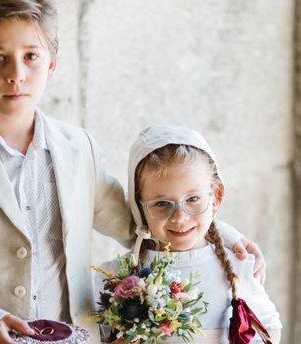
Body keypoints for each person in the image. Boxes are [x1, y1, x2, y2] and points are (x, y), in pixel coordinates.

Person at [0, 0, 266, 344]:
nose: (16, 74)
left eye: (31, 57)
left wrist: (226, 238)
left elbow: (141, 219)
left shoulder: (77, 148)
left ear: (50, 66)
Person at [96, 125, 282, 343]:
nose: (179, 217)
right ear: (139, 206)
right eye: (162, 204)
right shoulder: (115, 277)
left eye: (193, 199)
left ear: (216, 196)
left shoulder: (237, 266)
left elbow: (269, 326)